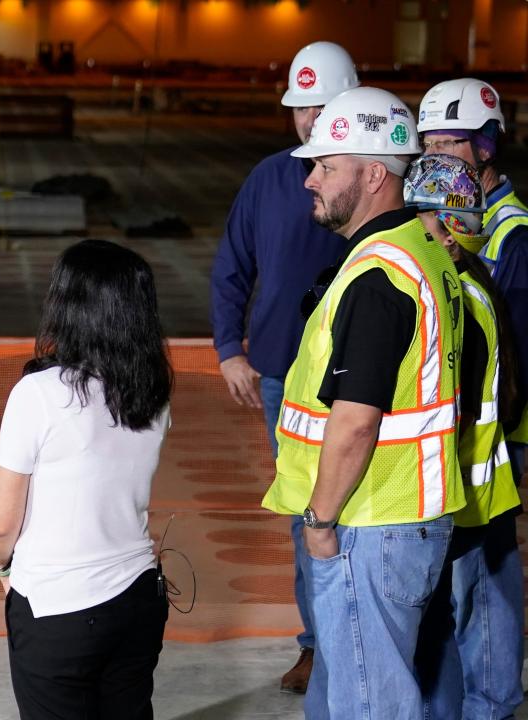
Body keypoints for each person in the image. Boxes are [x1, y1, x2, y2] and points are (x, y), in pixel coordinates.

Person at [261, 86, 465, 719]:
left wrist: (320, 523)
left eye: (325, 166)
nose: (309, 181)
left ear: (374, 174)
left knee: (369, 704)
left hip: (369, 520)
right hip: (404, 515)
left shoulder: (379, 276)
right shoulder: (423, 250)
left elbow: (354, 421)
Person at [210, 40, 357, 692]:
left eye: (322, 104)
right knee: (309, 512)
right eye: (301, 107)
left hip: (356, 374)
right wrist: (228, 350)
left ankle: (357, 640)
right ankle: (316, 645)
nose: (309, 117)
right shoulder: (270, 179)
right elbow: (231, 267)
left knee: (357, 510)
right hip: (279, 376)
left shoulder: (368, 180)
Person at [0, 239, 172, 720]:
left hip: (57, 608)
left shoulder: (39, 393)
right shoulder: (152, 393)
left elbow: (3, 525)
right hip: (138, 598)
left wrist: (3, 570)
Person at [416, 79, 527, 719]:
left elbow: (515, 353)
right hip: (472, 445)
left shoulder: (510, 236)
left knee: (487, 582)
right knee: (464, 585)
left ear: (485, 146)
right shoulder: (456, 219)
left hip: (499, 442)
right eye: (427, 142)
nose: (436, 154)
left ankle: (491, 705)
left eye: (450, 142)